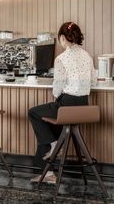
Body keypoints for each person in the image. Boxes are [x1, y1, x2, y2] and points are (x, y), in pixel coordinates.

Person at [28, 22, 97, 183]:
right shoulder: (86, 55)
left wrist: (57, 95)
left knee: (34, 112)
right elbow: (93, 81)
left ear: (62, 37)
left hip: (67, 106)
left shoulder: (61, 58)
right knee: (53, 123)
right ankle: (49, 172)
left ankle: (52, 146)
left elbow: (57, 89)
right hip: (84, 107)